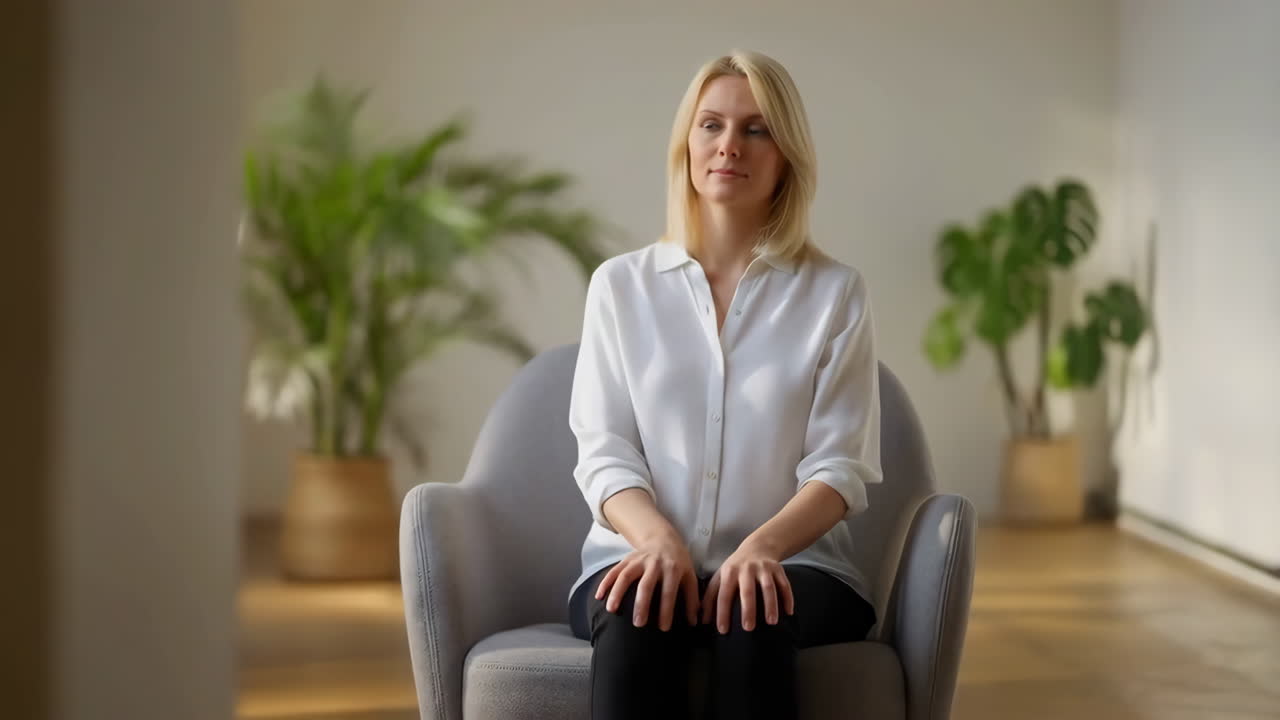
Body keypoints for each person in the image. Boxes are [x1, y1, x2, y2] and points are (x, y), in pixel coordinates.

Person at [566, 49, 882, 720]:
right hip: (636, 553)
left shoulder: (835, 293)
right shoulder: (619, 288)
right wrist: (656, 541)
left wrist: (760, 549)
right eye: (711, 125)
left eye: (756, 129)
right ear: (687, 142)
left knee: (752, 610)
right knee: (638, 609)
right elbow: (605, 453)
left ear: (786, 155)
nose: (729, 146)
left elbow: (840, 467)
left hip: (800, 567)